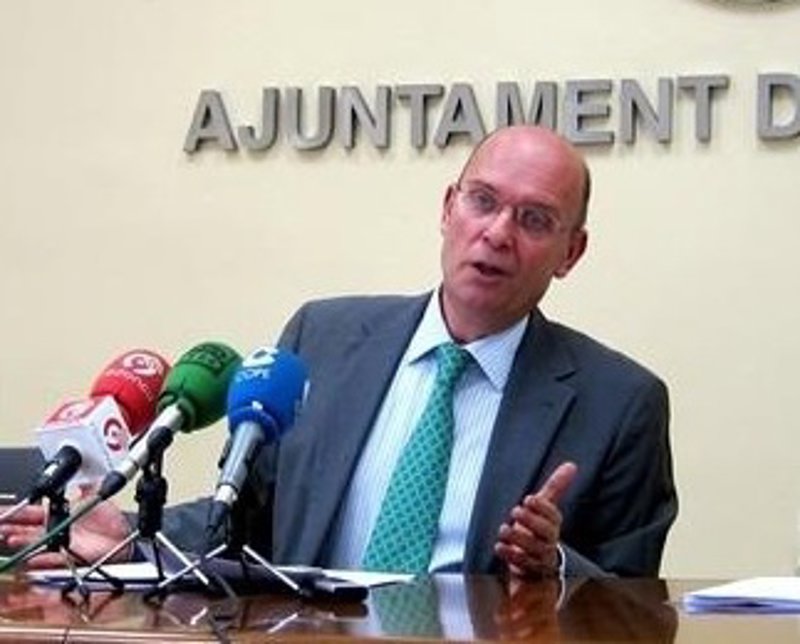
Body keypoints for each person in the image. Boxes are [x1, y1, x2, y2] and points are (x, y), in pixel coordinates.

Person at [0, 125, 677, 579]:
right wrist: (131, 532)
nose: (498, 233)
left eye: (534, 219)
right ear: (448, 209)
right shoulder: (322, 339)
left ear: (571, 253)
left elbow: (634, 602)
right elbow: (243, 517)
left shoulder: (620, 405)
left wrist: (555, 568)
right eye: (483, 202)